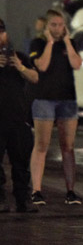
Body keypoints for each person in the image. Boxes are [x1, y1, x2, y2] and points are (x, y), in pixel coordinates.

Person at [28, 9, 83, 206]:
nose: (58, 28)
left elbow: (77, 64)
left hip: (67, 100)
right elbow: (42, 66)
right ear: (47, 26)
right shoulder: (38, 43)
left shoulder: (70, 43)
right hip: (45, 99)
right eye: (54, 25)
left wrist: (67, 42)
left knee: (68, 147)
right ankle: (36, 191)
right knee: (42, 145)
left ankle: (71, 191)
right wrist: (50, 42)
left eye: (61, 25)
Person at [0, 18, 39, 212]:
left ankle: (23, 200)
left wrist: (20, 66)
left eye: (1, 32)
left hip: (18, 118)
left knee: (21, 162)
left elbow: (35, 77)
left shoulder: (19, 56)